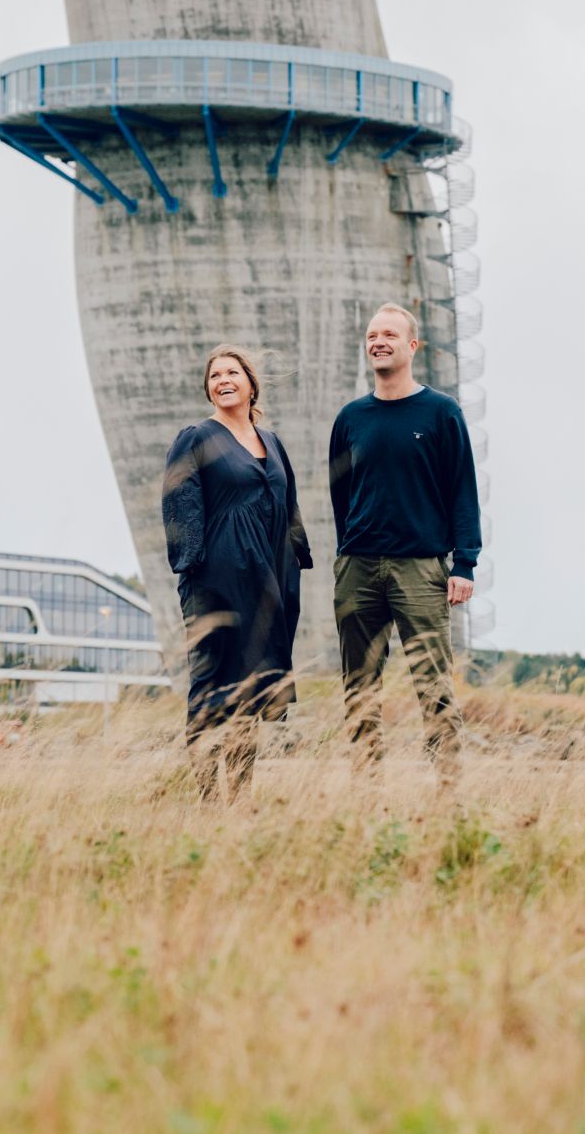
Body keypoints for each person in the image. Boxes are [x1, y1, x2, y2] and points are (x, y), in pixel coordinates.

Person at [329, 302, 482, 790]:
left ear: (411, 346)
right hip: (358, 568)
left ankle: (450, 795)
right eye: (373, 335)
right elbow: (340, 494)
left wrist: (466, 563)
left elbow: (462, 489)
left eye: (390, 334)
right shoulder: (351, 418)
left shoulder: (440, 412)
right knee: (359, 689)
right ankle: (367, 792)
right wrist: (347, 551)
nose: (379, 342)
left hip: (420, 568)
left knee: (434, 687)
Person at [162, 344, 312, 802]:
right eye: (214, 376)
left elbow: (288, 511)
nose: (222, 380)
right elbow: (178, 506)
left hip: (265, 584)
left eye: (231, 372)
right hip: (215, 584)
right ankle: (209, 796)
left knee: (251, 689)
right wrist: (192, 570)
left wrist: (293, 568)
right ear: (209, 389)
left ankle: (241, 795)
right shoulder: (197, 438)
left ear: (250, 383)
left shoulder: (273, 441)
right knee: (211, 687)